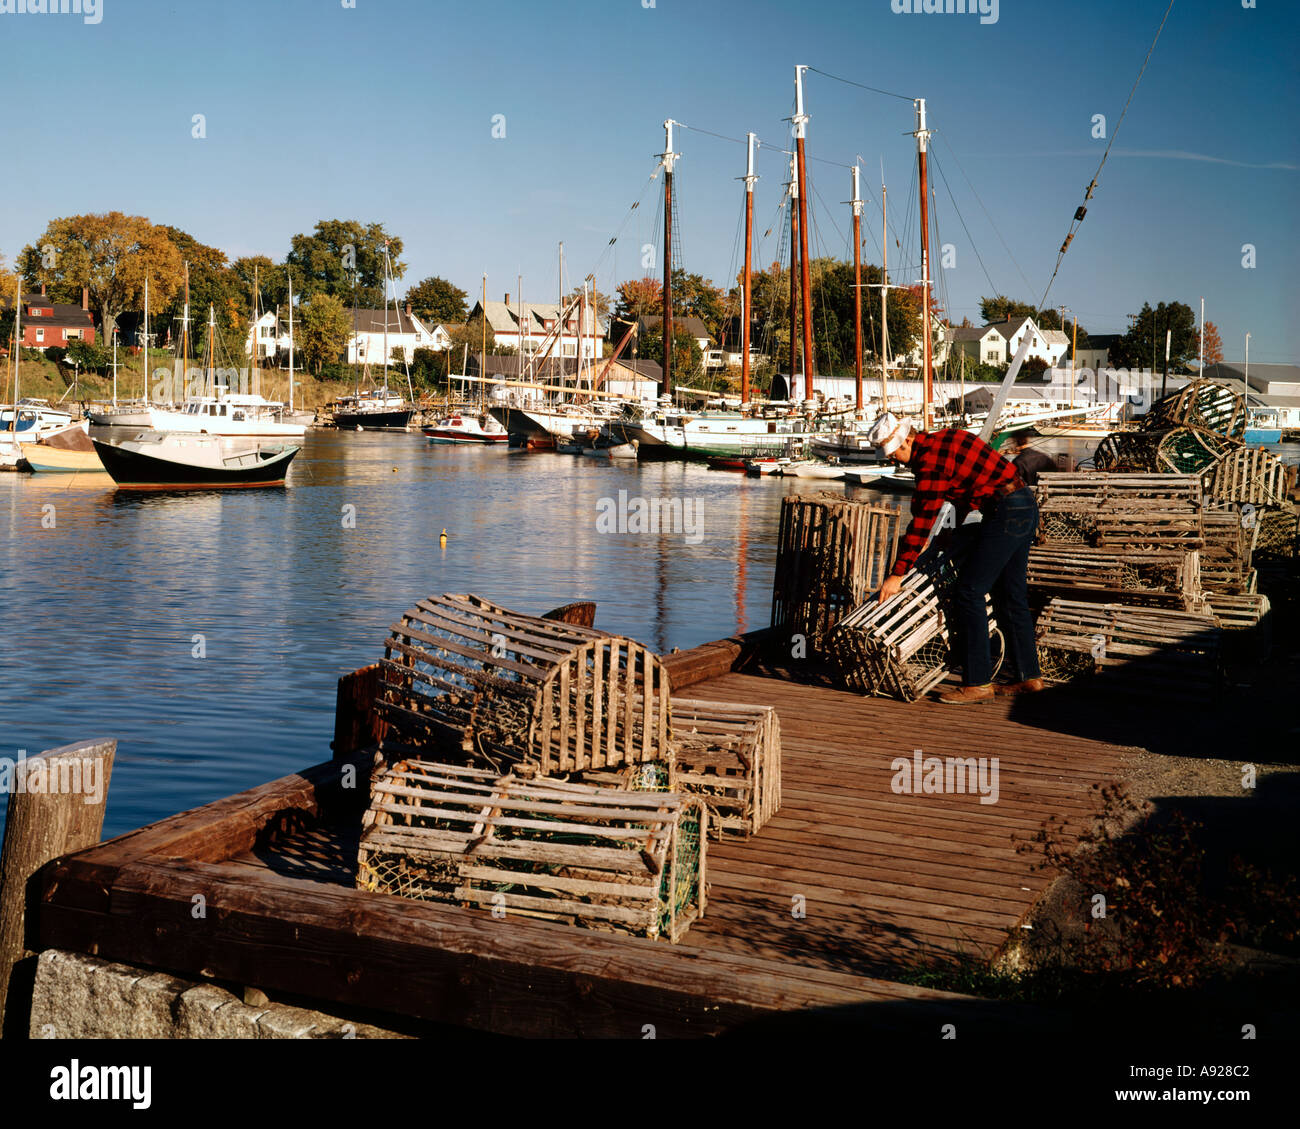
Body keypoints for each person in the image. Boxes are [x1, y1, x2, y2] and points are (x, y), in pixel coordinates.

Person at [870, 412, 1044, 704]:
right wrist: (953, 529)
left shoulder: (929, 464)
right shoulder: (949, 437)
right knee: (1010, 595)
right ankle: (1029, 678)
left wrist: (897, 574)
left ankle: (978, 682)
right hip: (1024, 506)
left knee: (969, 592)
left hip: (1003, 514)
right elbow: (966, 489)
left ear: (909, 439)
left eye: (896, 452)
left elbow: (922, 522)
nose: (894, 460)